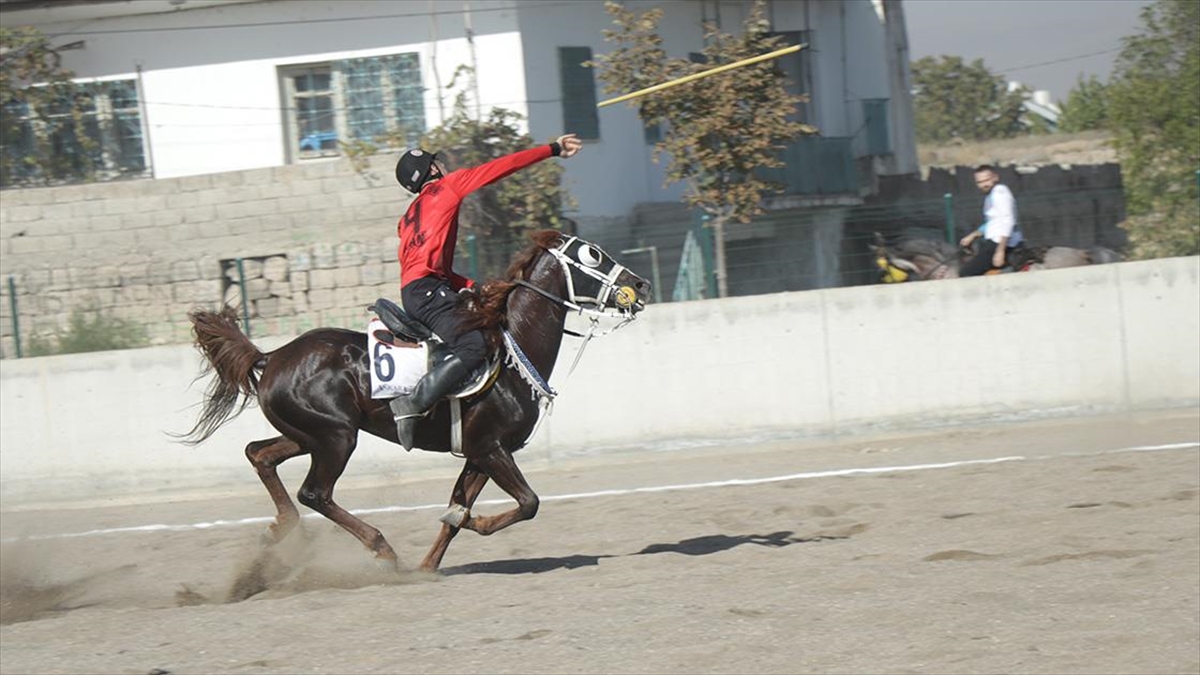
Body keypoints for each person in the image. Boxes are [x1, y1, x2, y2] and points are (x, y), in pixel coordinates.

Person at [388, 133, 583, 450]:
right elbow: (502, 166)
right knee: (474, 346)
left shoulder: (408, 218)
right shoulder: (448, 187)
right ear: (432, 172)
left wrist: (473, 286)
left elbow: (431, 269)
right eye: (435, 162)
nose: (442, 164)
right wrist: (553, 149)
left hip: (420, 290)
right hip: (427, 292)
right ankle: (412, 404)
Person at [958, 164, 1025, 277]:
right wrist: (973, 235)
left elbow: (1007, 221)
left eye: (987, 180)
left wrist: (1000, 251)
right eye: (979, 182)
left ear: (995, 177)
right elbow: (993, 222)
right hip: (994, 242)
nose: (983, 185)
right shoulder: (991, 195)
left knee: (966, 274)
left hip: (1001, 243)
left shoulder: (999, 192)